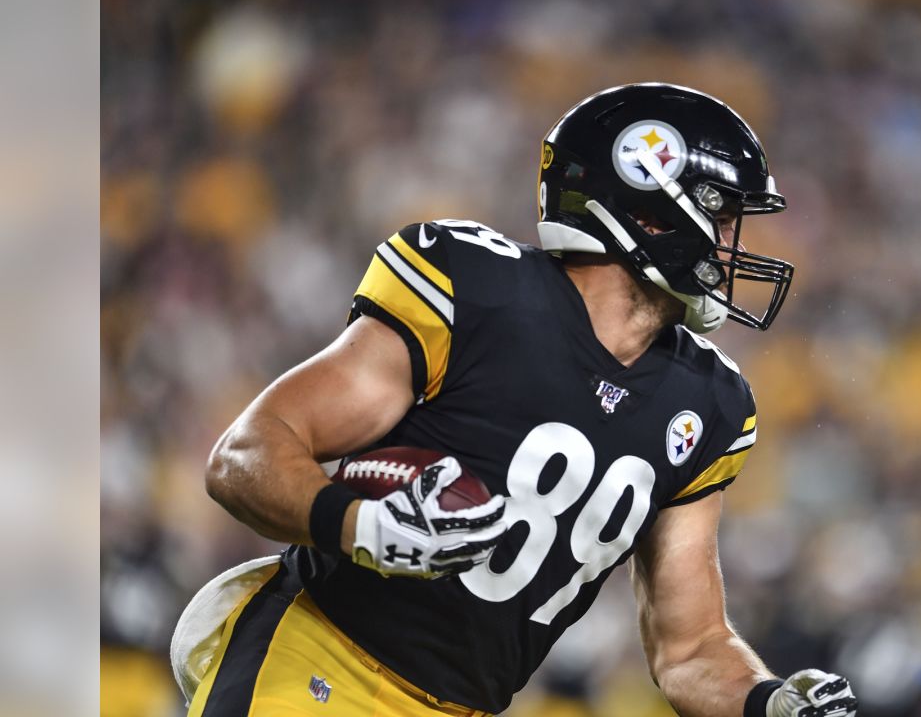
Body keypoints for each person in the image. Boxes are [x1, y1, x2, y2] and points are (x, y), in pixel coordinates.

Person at [186, 83, 857, 717]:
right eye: (723, 218)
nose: (733, 246)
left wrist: (767, 701)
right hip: (319, 659)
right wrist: (364, 527)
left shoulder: (708, 403)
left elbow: (690, 649)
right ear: (650, 211)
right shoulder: (477, 289)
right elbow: (247, 454)